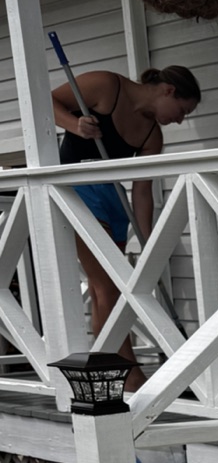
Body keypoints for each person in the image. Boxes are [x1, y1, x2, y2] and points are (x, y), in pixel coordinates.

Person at [51, 65, 201, 391]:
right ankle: (129, 375)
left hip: (113, 199)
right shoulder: (106, 85)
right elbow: (48, 102)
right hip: (78, 189)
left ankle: (109, 369)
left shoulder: (152, 136)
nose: (179, 120)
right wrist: (74, 125)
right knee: (109, 287)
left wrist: (147, 242)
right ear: (168, 91)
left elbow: (142, 192)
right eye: (182, 111)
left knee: (107, 288)